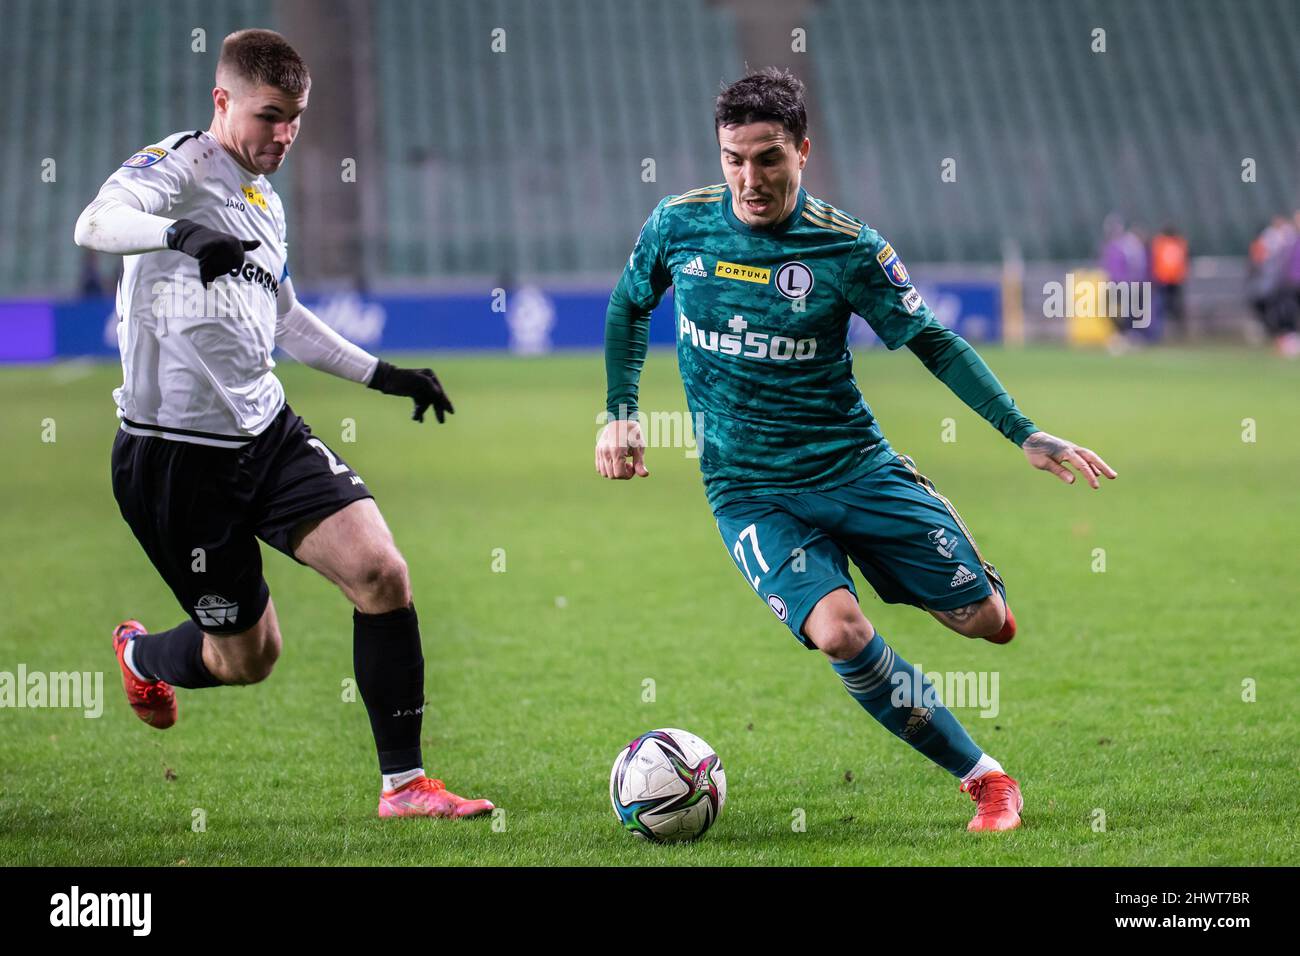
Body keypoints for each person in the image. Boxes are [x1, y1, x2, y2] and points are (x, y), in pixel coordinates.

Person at [595, 68, 1117, 832]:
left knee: (984, 619)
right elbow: (628, 303)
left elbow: (932, 342)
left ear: (804, 151)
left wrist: (1023, 431)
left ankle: (951, 577)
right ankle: (987, 780)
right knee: (840, 630)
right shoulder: (679, 226)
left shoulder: (848, 250)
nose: (749, 178)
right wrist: (619, 412)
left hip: (853, 466)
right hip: (748, 489)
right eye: (733, 159)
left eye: (768, 158)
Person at [73, 28, 493, 820]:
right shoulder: (180, 169)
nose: (286, 134)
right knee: (248, 659)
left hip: (265, 435)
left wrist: (384, 375)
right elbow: (94, 224)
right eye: (270, 115)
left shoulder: (264, 198)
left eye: (296, 117)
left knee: (382, 573)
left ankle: (404, 787)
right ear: (222, 101)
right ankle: (141, 654)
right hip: (174, 463)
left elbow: (287, 317)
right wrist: (178, 232)